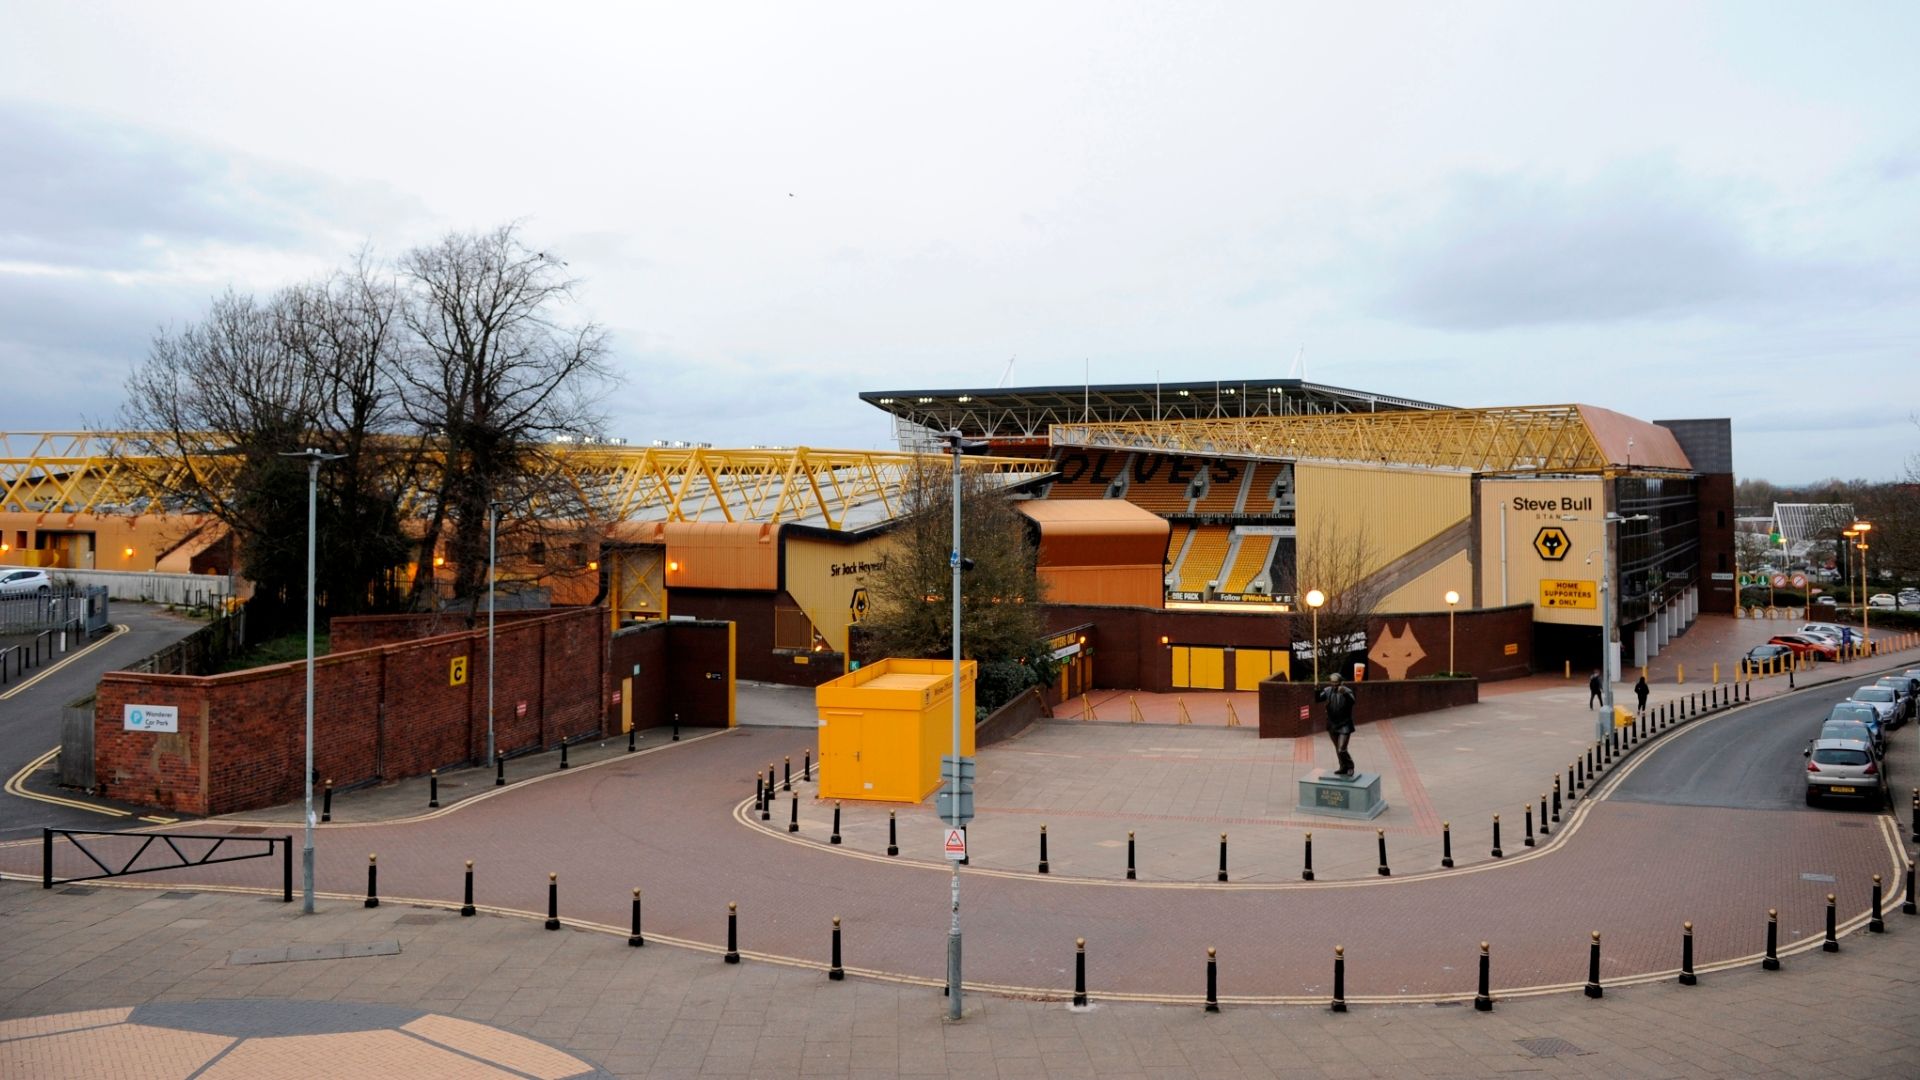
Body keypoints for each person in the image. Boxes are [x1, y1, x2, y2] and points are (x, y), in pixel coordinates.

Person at [1316, 673, 1357, 776]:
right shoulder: (1327, 690)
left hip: (1344, 724)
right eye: (1332, 683)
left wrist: (1345, 694)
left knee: (1341, 749)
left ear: (1341, 682)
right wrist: (1316, 689)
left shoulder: (1347, 691)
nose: (1334, 685)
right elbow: (1317, 699)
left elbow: (1352, 701)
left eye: (1336, 683)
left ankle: (1350, 766)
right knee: (1337, 749)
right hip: (1332, 724)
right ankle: (1343, 767)